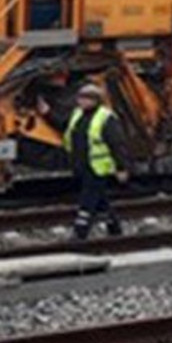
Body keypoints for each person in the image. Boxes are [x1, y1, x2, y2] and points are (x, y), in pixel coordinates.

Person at [60, 83, 130, 240]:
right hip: (82, 164)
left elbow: (117, 144)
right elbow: (65, 127)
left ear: (96, 100)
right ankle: (114, 227)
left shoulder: (106, 118)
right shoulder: (77, 114)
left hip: (98, 167)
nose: (82, 101)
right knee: (100, 199)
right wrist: (48, 113)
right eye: (80, 98)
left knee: (88, 199)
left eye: (87, 98)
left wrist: (121, 167)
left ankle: (80, 232)